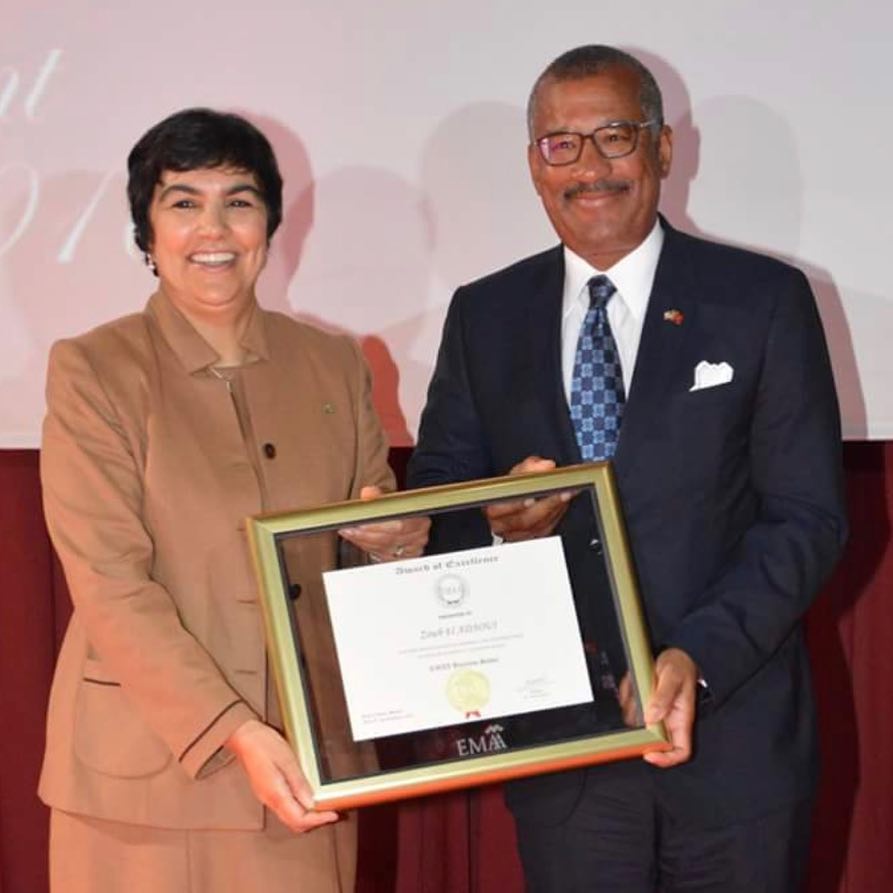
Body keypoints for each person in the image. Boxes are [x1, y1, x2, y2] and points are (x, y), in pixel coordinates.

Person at [407, 46, 846, 892]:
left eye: (614, 136)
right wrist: (497, 525)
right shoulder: (484, 314)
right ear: (533, 165)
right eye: (560, 145)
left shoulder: (761, 300)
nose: (589, 168)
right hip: (566, 753)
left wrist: (696, 658)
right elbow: (442, 503)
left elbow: (806, 517)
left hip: (733, 739)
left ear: (662, 148)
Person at [38, 108, 428, 892]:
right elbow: (110, 584)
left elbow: (367, 529)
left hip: (301, 764)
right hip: (141, 780)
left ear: (270, 223)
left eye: (239, 201)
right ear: (146, 230)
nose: (212, 228)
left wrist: (396, 540)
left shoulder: (333, 363)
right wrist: (233, 730)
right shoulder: (93, 370)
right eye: (183, 202)